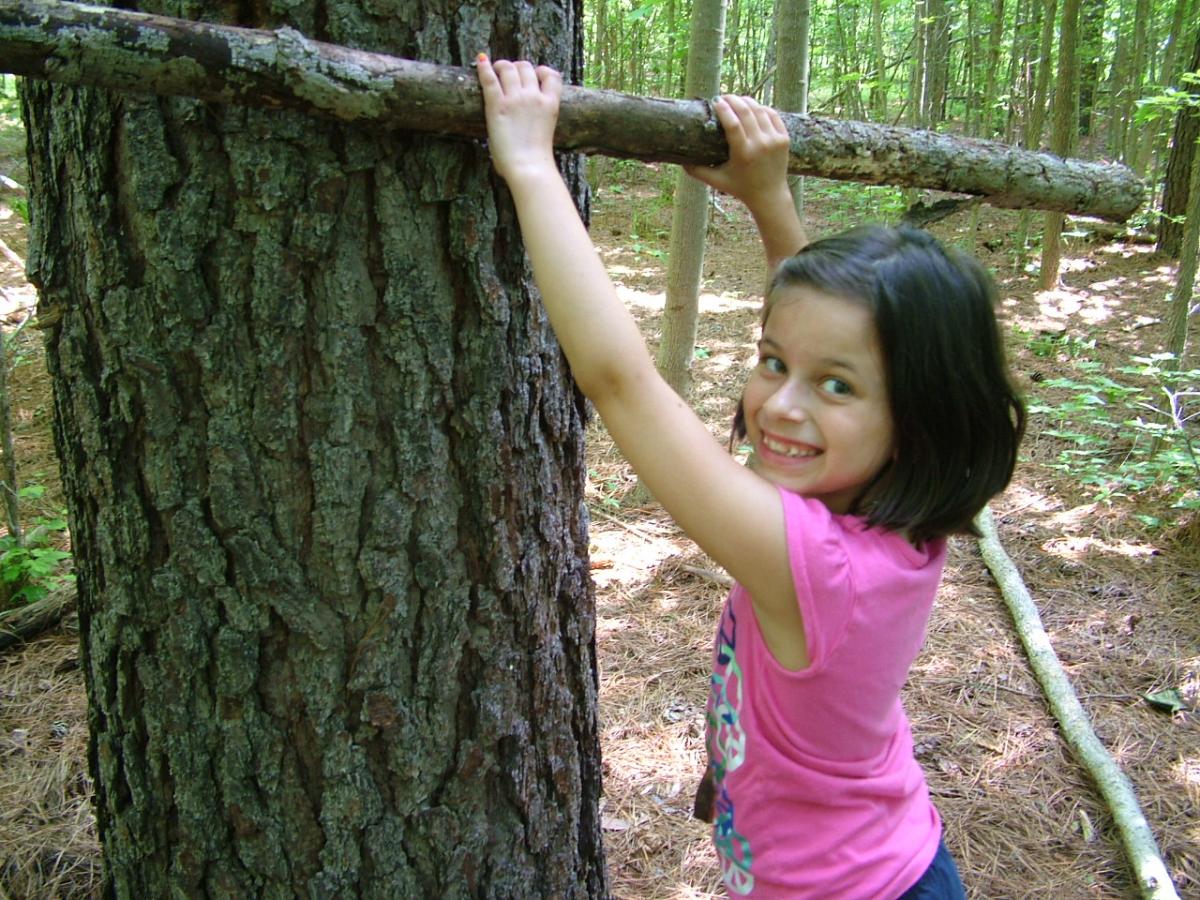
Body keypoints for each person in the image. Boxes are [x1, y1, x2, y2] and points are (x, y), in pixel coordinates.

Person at [475, 55, 1025, 899]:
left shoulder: (814, 561)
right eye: (772, 363)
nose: (781, 406)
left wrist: (528, 167)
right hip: (894, 858)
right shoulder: (894, 510)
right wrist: (767, 199)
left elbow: (620, 380)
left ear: (916, 424)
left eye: (834, 388)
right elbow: (833, 334)